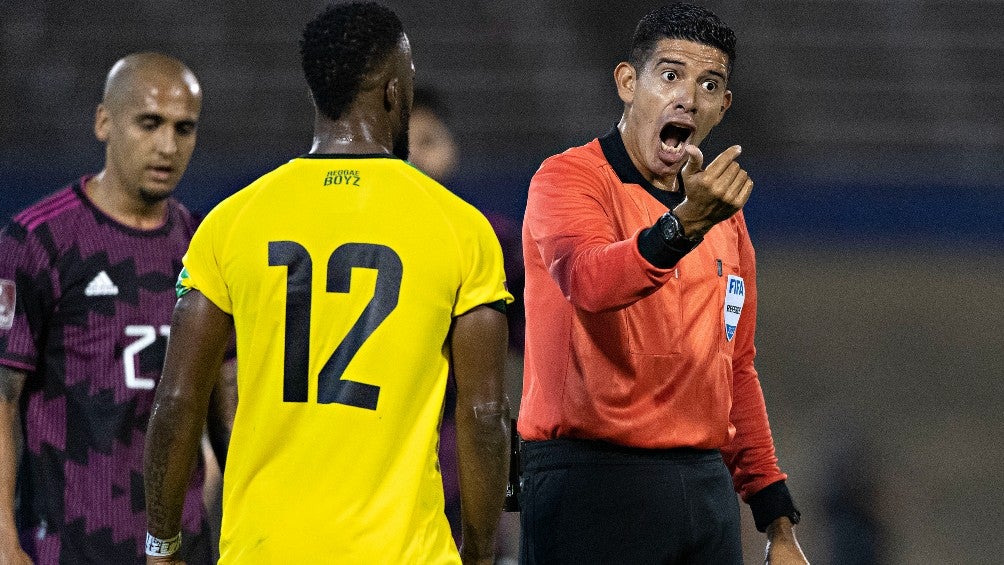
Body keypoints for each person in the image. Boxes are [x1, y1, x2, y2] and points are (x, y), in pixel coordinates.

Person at [143, 3, 513, 564]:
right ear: (395, 91)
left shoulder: (232, 221)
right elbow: (484, 418)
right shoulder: (459, 228)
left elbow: (176, 402)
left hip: (263, 549)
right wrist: (482, 554)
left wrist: (162, 544)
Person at [518, 4, 809, 564]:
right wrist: (684, 227)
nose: (688, 98)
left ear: (723, 107)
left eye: (709, 84)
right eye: (670, 75)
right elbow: (591, 281)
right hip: (592, 482)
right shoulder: (569, 179)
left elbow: (736, 369)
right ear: (629, 83)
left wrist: (777, 521)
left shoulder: (726, 220)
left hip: (704, 492)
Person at [0, 52, 234, 564]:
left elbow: (227, 400)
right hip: (68, 548)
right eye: (149, 124)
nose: (167, 145)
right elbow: (2, 398)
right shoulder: (37, 242)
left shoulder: (207, 247)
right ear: (104, 122)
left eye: (184, 128)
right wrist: (2, 541)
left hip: (179, 550)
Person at [409, 85, 524, 562]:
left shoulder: (489, 240)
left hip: (459, 477)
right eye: (404, 144)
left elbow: (545, 349)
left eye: (429, 141)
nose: (415, 157)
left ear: (453, 148)